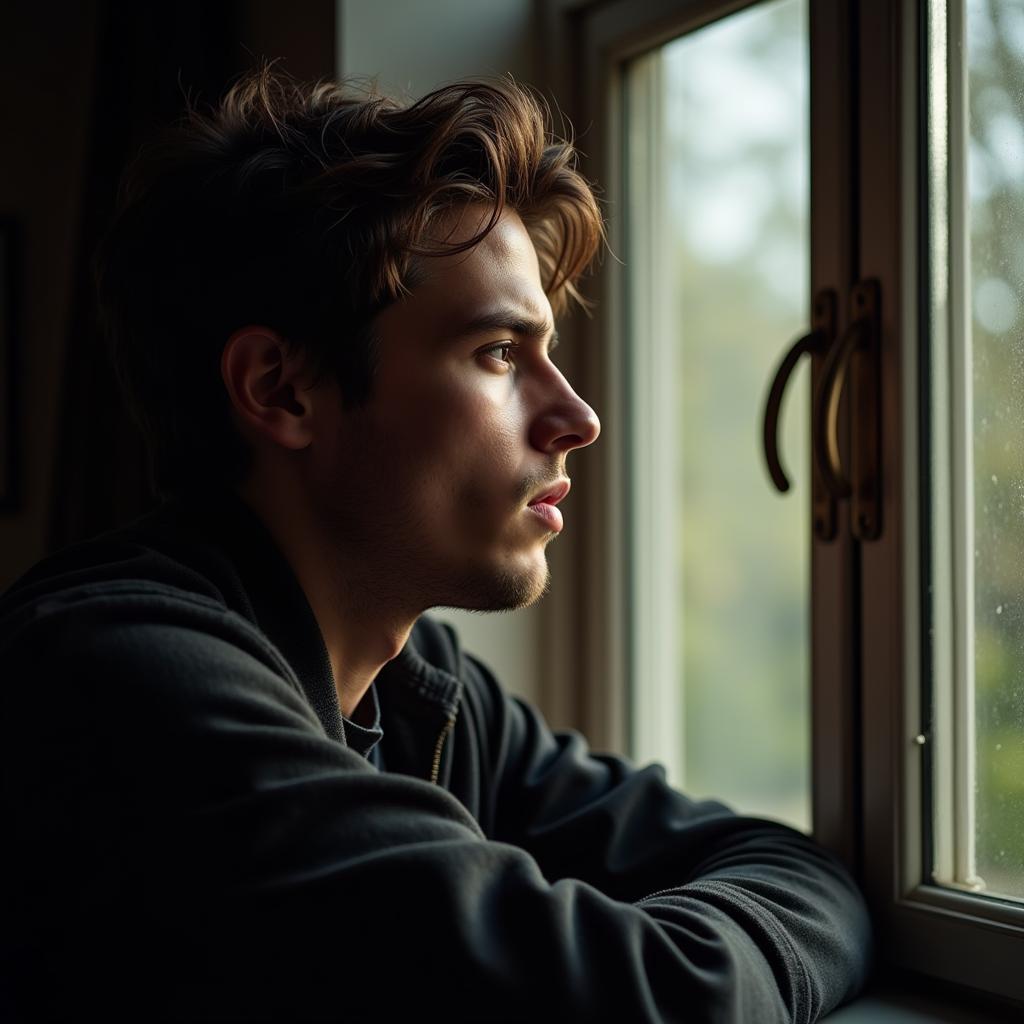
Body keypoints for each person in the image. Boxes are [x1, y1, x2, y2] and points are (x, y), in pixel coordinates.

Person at [0, 66, 870, 1021]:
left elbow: (785, 866)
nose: (577, 416)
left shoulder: (423, 690)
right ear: (280, 389)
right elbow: (659, 1000)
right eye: (500, 353)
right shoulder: (122, 680)